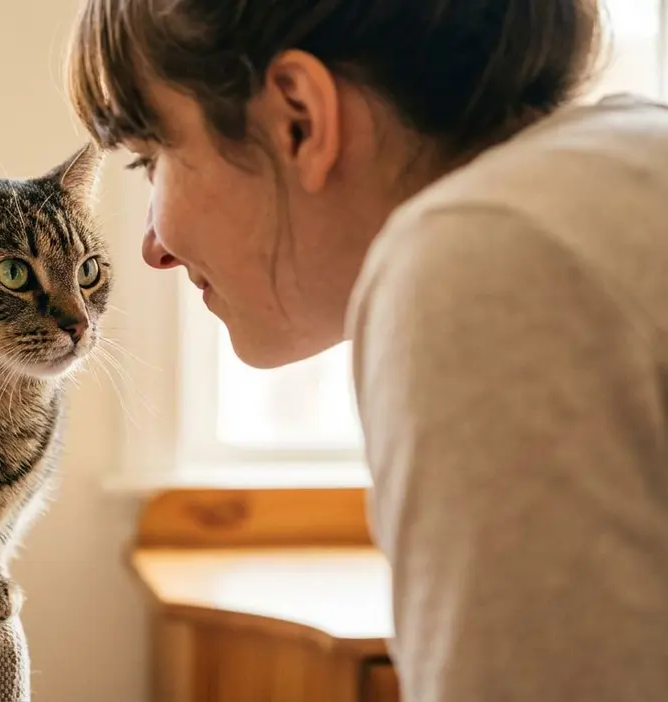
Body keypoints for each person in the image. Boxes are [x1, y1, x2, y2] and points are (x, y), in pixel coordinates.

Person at [66, 0, 668, 700]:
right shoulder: (618, 164)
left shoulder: (485, 257)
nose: (152, 247)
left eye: (152, 159)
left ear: (298, 118)